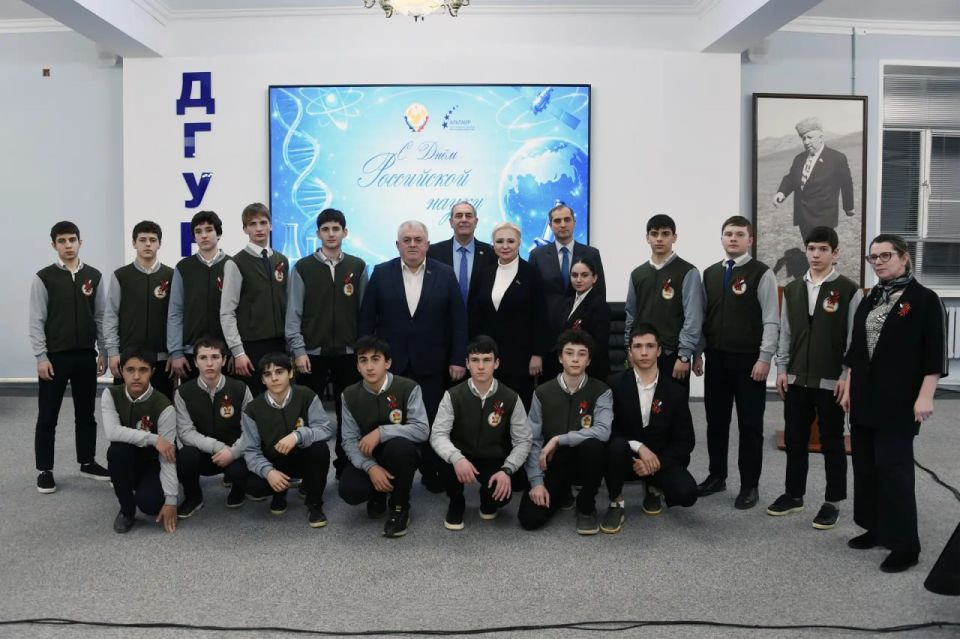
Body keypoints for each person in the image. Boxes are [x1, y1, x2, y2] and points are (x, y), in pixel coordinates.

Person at [841, 233, 947, 573]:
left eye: (885, 255)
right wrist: (848, 384)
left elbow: (934, 353)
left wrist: (926, 395)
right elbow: (858, 347)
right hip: (864, 397)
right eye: (873, 257)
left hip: (899, 400)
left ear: (903, 257)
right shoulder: (871, 296)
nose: (878, 262)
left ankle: (905, 545)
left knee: (894, 469)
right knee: (866, 467)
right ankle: (876, 528)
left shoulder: (924, 299)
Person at [359, 220, 467, 492]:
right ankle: (393, 475)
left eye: (418, 239)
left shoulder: (445, 273)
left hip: (431, 363)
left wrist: (457, 358)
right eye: (406, 240)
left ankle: (431, 472)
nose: (412, 244)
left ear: (427, 244)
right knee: (392, 421)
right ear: (398, 245)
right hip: (391, 366)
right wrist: (366, 358)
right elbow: (367, 319)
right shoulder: (381, 272)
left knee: (430, 421)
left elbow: (458, 321)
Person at [768, 226, 862, 529]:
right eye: (811, 249)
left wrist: (846, 376)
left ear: (835, 253)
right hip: (797, 379)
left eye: (823, 249)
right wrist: (782, 370)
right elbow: (786, 333)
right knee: (795, 438)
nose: (816, 255)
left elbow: (854, 340)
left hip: (831, 381)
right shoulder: (793, 289)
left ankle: (833, 501)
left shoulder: (849, 290)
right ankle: (794, 494)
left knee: (832, 441)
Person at [695, 216, 779, 510]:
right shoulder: (710, 273)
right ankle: (717, 476)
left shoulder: (761, 273)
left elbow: (771, 319)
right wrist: (698, 352)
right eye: (728, 234)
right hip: (716, 359)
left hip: (749, 363)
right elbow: (702, 316)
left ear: (750, 240)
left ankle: (749, 485)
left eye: (739, 234)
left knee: (750, 425)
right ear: (721, 238)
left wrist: (765, 358)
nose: (733, 238)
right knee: (716, 422)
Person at [29, 220, 110, 494]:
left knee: (86, 414)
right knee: (47, 415)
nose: (68, 245)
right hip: (54, 358)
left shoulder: (94, 276)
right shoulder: (44, 278)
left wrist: (104, 351)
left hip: (86, 356)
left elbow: (101, 317)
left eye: (72, 240)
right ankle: (45, 470)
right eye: (62, 241)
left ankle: (87, 461)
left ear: (80, 242)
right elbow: (36, 320)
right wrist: (41, 356)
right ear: (54, 245)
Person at [286, 207, 367, 478]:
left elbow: (364, 312)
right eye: (325, 229)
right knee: (307, 414)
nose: (331, 234)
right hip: (311, 353)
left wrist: (361, 350)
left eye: (336, 229)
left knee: (349, 414)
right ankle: (305, 470)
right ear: (318, 233)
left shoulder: (357, 266)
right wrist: (298, 351)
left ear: (345, 232)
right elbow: (293, 313)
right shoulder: (303, 267)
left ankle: (345, 466)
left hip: (348, 353)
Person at [601, 323, 697, 534]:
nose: (644, 352)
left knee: (687, 493)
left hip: (659, 459)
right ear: (630, 352)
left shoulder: (675, 391)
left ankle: (653, 486)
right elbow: (607, 430)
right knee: (615, 446)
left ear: (659, 350)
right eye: (638, 346)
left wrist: (657, 463)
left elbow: (685, 441)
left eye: (650, 346)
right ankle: (616, 501)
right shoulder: (613, 384)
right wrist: (639, 447)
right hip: (625, 457)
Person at [430, 336, 532, 530]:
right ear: (467, 364)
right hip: (460, 454)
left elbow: (523, 440)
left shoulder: (511, 397)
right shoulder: (453, 395)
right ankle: (456, 501)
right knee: (441, 458)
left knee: (500, 496)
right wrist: (456, 458)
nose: (481, 366)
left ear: (496, 363)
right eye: (475, 360)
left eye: (487, 360)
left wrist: (507, 470)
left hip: (492, 456)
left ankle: (487, 498)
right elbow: (438, 434)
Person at [518, 329, 612, 535]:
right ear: (560, 358)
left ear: (589, 360)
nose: (575, 359)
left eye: (581, 354)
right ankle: (562, 492)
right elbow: (533, 439)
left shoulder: (601, 390)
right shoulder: (542, 392)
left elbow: (603, 431)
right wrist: (536, 482)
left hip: (584, 458)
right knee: (529, 519)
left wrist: (559, 439)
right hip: (553, 461)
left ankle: (585, 506)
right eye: (569, 353)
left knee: (595, 446)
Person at [338, 336, 429, 538]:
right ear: (358, 366)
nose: (369, 366)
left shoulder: (408, 387)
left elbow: (422, 429)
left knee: (399, 448)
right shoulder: (349, 395)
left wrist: (381, 432)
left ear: (387, 363)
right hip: (368, 454)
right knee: (350, 490)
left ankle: (399, 506)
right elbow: (349, 440)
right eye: (363, 360)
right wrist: (370, 467)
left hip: (400, 453)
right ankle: (377, 494)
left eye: (375, 359)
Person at [241, 352, 334, 528]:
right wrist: (268, 472)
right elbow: (251, 451)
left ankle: (314, 502)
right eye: (267, 374)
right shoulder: (252, 409)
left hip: (303, 457)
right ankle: (279, 494)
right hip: (274, 461)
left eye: (279, 372)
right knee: (253, 486)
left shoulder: (306, 395)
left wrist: (297, 435)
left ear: (290, 373)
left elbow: (325, 429)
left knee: (320, 449)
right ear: (262, 380)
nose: (274, 378)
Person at [468, 222, 547, 409]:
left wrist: (537, 354)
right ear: (493, 244)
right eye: (500, 241)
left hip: (521, 358)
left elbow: (540, 317)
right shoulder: (483, 274)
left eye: (510, 241)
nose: (505, 246)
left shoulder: (532, 274)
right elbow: (473, 314)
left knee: (517, 407)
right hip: (486, 357)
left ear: (519, 243)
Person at [174, 337, 254, 518]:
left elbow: (251, 430)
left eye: (215, 357)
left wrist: (233, 452)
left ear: (224, 360)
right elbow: (185, 432)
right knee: (185, 456)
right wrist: (217, 447)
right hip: (203, 452)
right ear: (195, 362)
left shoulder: (240, 388)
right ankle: (193, 497)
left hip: (234, 453)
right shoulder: (183, 392)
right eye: (203, 358)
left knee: (242, 472)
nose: (209, 363)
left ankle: (238, 490)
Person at [102, 347, 178, 534]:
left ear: (152, 372)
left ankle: (153, 488)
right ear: (122, 371)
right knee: (116, 451)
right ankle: (126, 511)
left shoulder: (164, 406)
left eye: (143, 370)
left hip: (153, 463)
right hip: (126, 459)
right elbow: (112, 432)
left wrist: (171, 499)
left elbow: (167, 454)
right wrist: (153, 439)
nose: (136, 376)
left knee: (150, 505)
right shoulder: (111, 395)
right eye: (130, 370)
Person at [624, 214, 703, 389]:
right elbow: (631, 315)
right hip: (643, 353)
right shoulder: (637, 274)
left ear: (675, 237)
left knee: (674, 404)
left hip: (673, 355)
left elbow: (693, 318)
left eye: (665, 234)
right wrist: (629, 349)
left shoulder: (688, 272)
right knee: (643, 403)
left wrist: (684, 356)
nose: (659, 239)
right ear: (647, 238)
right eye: (654, 234)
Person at [528, 204, 606, 380]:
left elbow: (599, 295)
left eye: (567, 220)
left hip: (583, 343)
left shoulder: (591, 253)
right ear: (550, 225)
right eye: (557, 221)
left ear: (574, 222)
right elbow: (533, 303)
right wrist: (537, 350)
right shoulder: (537, 255)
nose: (562, 224)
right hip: (548, 342)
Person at [221, 203, 289, 395]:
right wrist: (238, 352)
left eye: (263, 222)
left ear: (271, 225)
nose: (259, 228)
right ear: (245, 229)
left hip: (279, 344)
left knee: (279, 397)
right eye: (253, 224)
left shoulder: (281, 261)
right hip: (251, 346)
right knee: (255, 401)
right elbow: (227, 312)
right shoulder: (236, 263)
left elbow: (287, 305)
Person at [103, 220, 175, 399]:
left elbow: (177, 317)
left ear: (159, 243)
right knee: (126, 408)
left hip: (162, 359)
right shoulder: (121, 276)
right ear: (134, 243)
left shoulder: (171, 275)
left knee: (163, 407)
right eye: (142, 240)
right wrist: (113, 352)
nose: (148, 244)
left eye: (153, 240)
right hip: (128, 358)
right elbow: (111, 316)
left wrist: (175, 352)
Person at [167, 210, 230, 381]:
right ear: (194, 237)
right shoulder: (183, 267)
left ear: (218, 234)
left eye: (209, 230)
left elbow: (240, 312)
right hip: (191, 352)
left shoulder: (232, 265)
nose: (204, 235)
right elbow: (175, 312)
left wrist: (236, 351)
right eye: (198, 231)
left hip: (225, 351)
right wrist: (176, 351)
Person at [773, 117, 855, 244]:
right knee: (809, 247)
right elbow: (791, 178)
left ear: (821, 137)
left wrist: (848, 207)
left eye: (810, 137)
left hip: (824, 217)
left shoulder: (837, 158)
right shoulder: (799, 159)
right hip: (803, 215)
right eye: (803, 138)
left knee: (822, 248)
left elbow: (846, 184)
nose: (806, 142)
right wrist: (781, 192)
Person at [427, 200, 496, 309]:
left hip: (480, 318)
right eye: (459, 216)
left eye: (468, 216)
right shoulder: (433, 252)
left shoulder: (492, 253)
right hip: (444, 318)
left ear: (476, 222)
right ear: (451, 222)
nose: (464, 219)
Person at [559, 257, 610, 380]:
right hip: (567, 366)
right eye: (574, 275)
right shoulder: (566, 302)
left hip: (591, 370)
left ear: (594, 278)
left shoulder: (600, 305)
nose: (578, 280)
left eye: (584, 275)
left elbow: (599, 345)